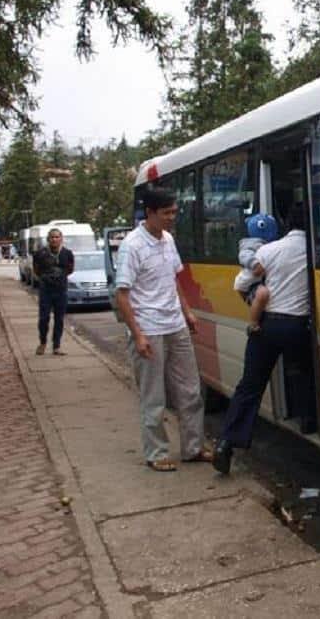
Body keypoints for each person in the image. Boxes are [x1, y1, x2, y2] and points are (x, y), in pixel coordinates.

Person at [115, 187, 212, 472]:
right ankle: (157, 453)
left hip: (175, 325)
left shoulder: (168, 239)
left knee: (191, 390)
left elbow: (173, 279)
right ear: (150, 213)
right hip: (149, 329)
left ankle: (193, 448)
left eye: (174, 212)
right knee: (154, 396)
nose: (172, 218)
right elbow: (122, 295)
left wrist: (187, 312)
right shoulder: (132, 246)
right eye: (167, 213)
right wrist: (138, 334)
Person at [213, 210, 315, 475]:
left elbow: (240, 283)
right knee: (304, 373)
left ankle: (226, 444)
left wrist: (253, 305)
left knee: (249, 386)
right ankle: (308, 421)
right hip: (298, 326)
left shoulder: (269, 251)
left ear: (287, 225)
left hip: (267, 326)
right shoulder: (316, 251)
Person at [233, 213, 280, 334]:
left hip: (258, 280)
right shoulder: (250, 244)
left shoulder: (271, 244)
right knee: (262, 294)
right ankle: (253, 323)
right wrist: (255, 264)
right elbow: (244, 255)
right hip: (248, 283)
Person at [32, 228, 74, 355]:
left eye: (57, 237)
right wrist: (46, 278)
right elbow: (36, 270)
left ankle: (56, 346)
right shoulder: (40, 253)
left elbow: (70, 270)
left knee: (59, 319)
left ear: (61, 238)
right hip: (46, 291)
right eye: (52, 237)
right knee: (44, 318)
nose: (54, 239)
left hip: (61, 290)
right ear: (48, 239)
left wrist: (60, 277)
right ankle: (43, 342)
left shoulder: (67, 253)